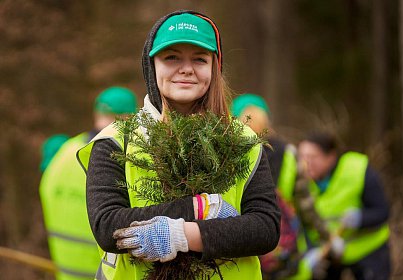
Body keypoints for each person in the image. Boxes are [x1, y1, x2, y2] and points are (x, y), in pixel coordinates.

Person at [77, 11, 281, 280]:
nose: (186, 68)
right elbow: (108, 227)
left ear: (214, 68)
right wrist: (200, 208)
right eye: (171, 57)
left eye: (199, 59)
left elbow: (266, 229)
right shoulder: (117, 140)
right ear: (152, 65)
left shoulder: (243, 140)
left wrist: (184, 236)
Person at [39, 86, 138, 280]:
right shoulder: (123, 159)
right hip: (107, 273)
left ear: (97, 113)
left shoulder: (63, 153)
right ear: (130, 117)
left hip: (65, 272)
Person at [294, 131, 391, 280]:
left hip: (369, 251)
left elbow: (383, 212)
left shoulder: (357, 169)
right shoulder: (301, 183)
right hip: (330, 252)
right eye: (302, 157)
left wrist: (360, 219)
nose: (306, 163)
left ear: (331, 157)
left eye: (313, 157)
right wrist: (309, 252)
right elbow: (302, 224)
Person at [231, 93, 300, 279]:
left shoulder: (227, 152)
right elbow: (305, 203)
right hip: (279, 243)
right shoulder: (288, 153)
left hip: (238, 240)